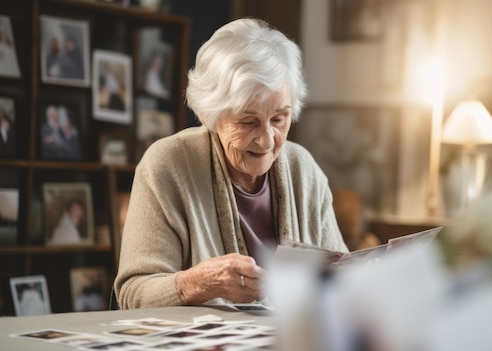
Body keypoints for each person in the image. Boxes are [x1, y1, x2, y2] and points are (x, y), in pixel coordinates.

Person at [114, 18, 348, 309]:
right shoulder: (167, 166)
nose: (266, 140)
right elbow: (133, 295)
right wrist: (199, 283)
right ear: (212, 114)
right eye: (248, 122)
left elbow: (344, 280)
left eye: (279, 118)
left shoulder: (304, 170)